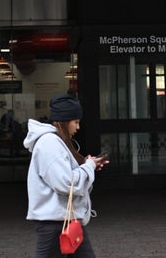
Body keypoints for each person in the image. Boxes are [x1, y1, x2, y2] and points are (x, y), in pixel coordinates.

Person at [24, 93, 109, 258]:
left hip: (66, 220)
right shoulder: (49, 143)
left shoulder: (55, 141)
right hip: (55, 223)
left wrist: (88, 166)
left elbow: (66, 177)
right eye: (76, 122)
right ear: (64, 121)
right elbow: (67, 183)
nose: (78, 127)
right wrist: (89, 166)